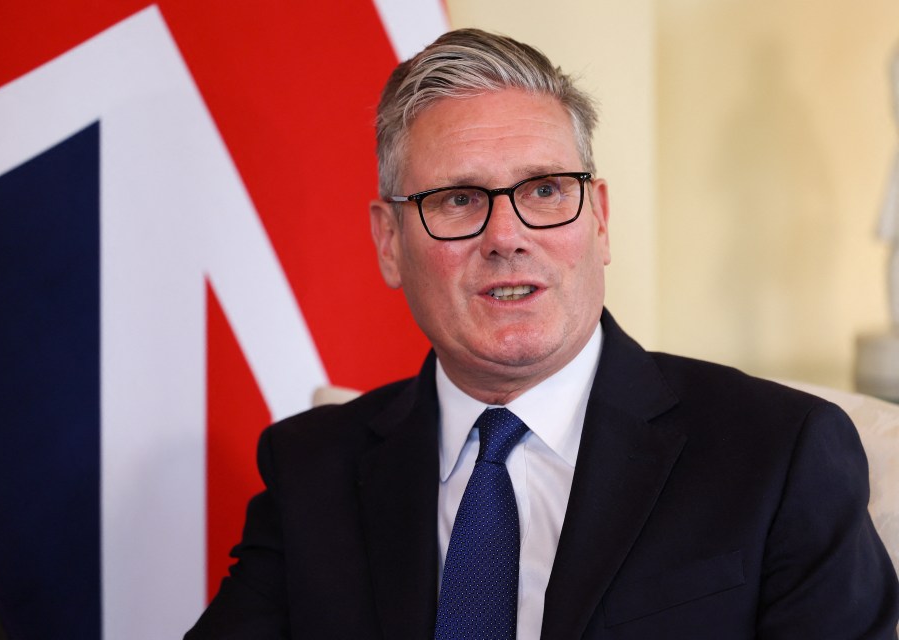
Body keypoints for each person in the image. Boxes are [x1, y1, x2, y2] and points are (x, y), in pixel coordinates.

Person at [186, 29, 899, 639]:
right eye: (458, 200)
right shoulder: (312, 469)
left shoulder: (778, 454)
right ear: (388, 243)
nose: (507, 236)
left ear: (599, 219)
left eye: (545, 191)